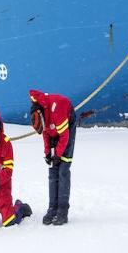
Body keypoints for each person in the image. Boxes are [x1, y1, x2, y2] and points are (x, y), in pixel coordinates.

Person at [29, 89, 76, 226]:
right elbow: (46, 133)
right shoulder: (41, 115)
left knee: (63, 169)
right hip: (52, 125)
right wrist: (48, 153)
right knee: (53, 171)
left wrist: (59, 155)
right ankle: (52, 208)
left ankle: (62, 211)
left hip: (66, 123)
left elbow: (64, 136)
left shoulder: (57, 111)